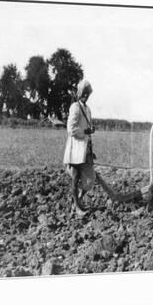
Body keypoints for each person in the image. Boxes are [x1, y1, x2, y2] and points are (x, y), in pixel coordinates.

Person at [63, 80, 96, 216]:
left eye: (88, 94)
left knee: (90, 180)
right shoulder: (75, 107)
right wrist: (85, 131)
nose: (86, 96)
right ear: (80, 93)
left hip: (85, 148)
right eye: (84, 93)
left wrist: (90, 132)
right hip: (76, 149)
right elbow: (70, 129)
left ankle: (77, 201)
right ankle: (77, 207)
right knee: (76, 179)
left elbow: (87, 128)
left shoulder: (87, 109)